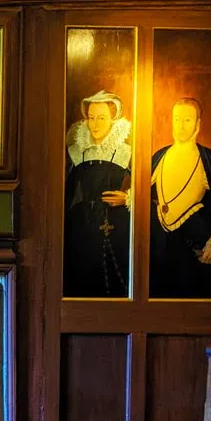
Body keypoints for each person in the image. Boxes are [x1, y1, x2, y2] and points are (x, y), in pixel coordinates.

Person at [64, 89, 132, 297]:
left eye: (102, 118)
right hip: (82, 222)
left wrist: (128, 198)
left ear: (113, 119)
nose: (95, 124)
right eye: (91, 118)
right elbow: (66, 189)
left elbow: (148, 188)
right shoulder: (76, 151)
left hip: (116, 222)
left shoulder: (125, 151)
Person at [149, 98, 211, 298]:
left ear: (197, 124)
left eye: (187, 120)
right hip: (160, 249)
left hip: (194, 249)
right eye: (177, 119)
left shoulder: (209, 159)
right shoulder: (159, 156)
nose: (180, 125)